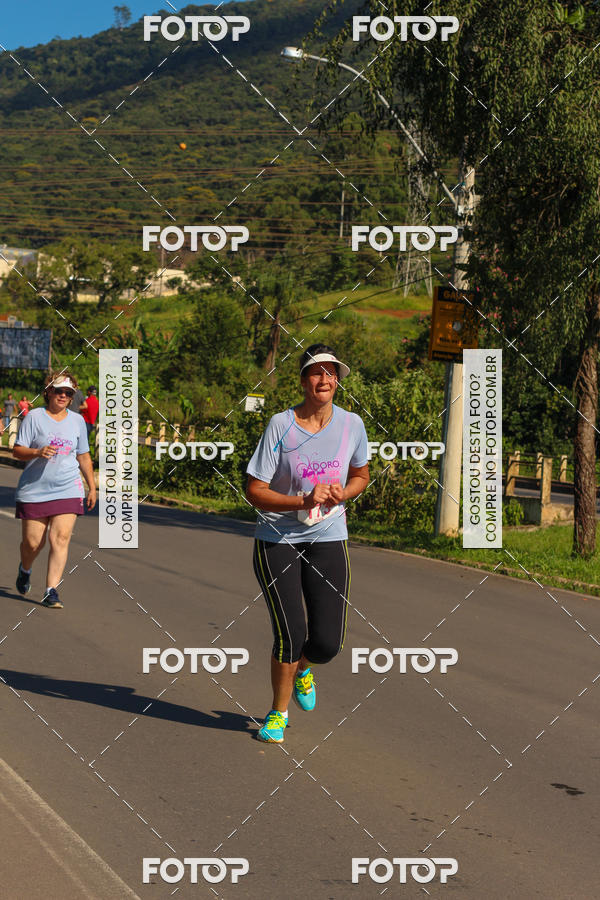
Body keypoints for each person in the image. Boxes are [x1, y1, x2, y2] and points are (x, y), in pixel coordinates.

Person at [246, 344, 370, 743]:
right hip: (278, 538)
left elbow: (361, 475)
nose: (324, 379)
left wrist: (342, 494)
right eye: (316, 373)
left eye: (331, 373)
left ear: (338, 381)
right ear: (303, 381)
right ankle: (278, 713)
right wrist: (303, 500)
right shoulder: (281, 425)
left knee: (328, 642)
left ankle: (304, 668)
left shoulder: (352, 425)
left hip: (329, 535)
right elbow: (255, 490)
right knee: (290, 631)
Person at [12, 371, 96, 609]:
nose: (62, 395)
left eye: (68, 393)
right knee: (32, 543)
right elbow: (17, 451)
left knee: (59, 538)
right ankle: (25, 569)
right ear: (48, 391)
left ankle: (51, 590)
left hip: (68, 487)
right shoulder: (34, 417)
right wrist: (38, 452)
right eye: (58, 391)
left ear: (72, 397)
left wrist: (92, 487)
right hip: (34, 489)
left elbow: (83, 455)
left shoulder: (78, 421)